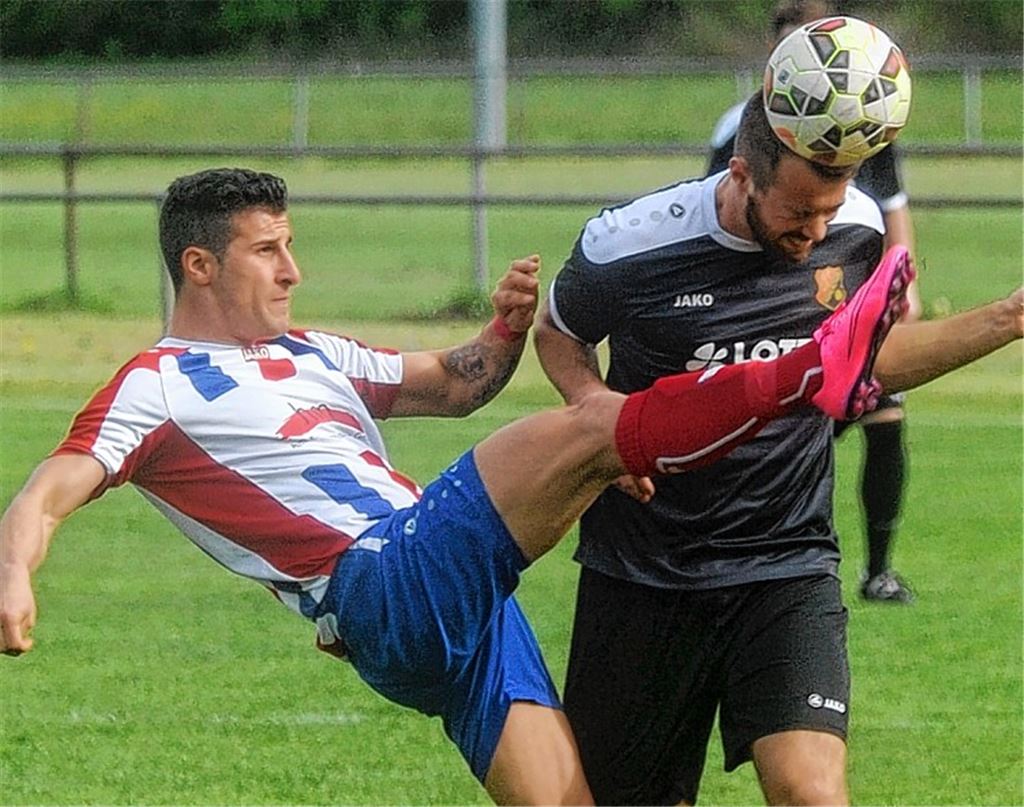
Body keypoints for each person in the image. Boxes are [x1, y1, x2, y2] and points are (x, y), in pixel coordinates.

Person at [0, 167, 922, 805]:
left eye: (290, 246)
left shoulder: (311, 352)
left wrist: (506, 330)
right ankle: (806, 374)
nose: (293, 269)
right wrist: (14, 571)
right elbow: (50, 486)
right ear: (199, 265)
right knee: (594, 427)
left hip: (451, 595)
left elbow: (454, 382)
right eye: (267, 251)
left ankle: (785, 381)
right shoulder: (156, 382)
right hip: (388, 580)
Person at [534, 93, 1022, 804]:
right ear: (741, 176)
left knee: (810, 791)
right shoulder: (630, 244)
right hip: (644, 570)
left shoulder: (854, 232)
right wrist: (595, 406)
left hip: (786, 560)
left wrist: (1009, 316)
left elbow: (864, 361)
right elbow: (558, 329)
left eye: (829, 210)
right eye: (798, 214)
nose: (815, 231)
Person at [707, 0, 922, 603]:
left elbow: (893, 206)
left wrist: (905, 286)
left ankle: (879, 570)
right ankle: (747, 548)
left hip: (852, 298)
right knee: (788, 434)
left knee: (886, 420)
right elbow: (720, 212)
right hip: (781, 300)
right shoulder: (741, 128)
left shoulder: (865, 122)